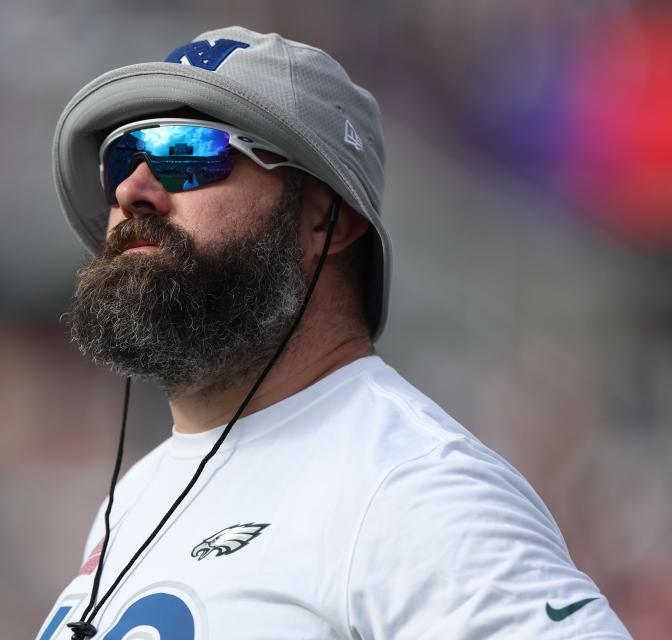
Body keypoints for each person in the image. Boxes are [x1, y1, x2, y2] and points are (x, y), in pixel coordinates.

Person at [40, 27, 631, 640]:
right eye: (119, 161)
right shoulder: (135, 494)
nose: (133, 190)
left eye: (185, 152)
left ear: (326, 218)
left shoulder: (415, 489)